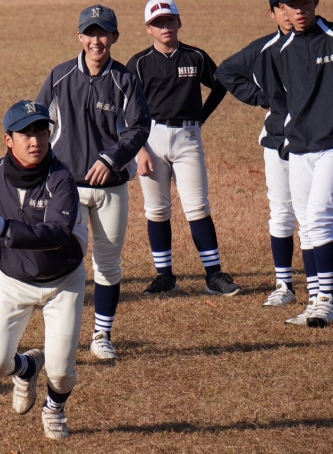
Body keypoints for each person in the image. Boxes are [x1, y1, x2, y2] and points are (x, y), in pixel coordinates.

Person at [0, 100, 88, 439]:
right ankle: (27, 366)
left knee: (61, 372)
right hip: (14, 281)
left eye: (42, 133)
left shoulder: (61, 178)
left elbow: (57, 233)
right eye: (26, 134)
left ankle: (55, 409)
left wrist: (6, 228)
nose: (36, 142)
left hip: (63, 282)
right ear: (8, 140)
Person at [37, 4, 151, 360]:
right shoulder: (59, 76)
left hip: (111, 188)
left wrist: (109, 159)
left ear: (114, 37)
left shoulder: (125, 80)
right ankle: (61, 335)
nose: (96, 40)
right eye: (90, 33)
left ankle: (102, 335)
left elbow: (139, 127)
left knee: (108, 263)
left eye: (103, 33)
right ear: (79, 36)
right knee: (63, 260)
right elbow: (39, 124)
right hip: (67, 188)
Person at [126, 0, 241, 296]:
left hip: (188, 137)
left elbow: (221, 84)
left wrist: (201, 116)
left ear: (179, 22)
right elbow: (126, 107)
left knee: (198, 206)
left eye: (169, 20)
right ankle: (165, 276)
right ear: (148, 28)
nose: (165, 27)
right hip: (151, 138)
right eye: (158, 23)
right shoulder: (139, 63)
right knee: (157, 209)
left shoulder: (195, 56)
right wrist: (139, 148)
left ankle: (213, 275)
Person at [216, 1, 319, 316]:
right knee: (281, 212)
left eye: (295, 6)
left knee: (314, 217)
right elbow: (225, 71)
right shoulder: (265, 48)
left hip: (315, 143)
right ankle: (284, 285)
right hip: (278, 141)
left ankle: (319, 289)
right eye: (282, 8)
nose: (289, 14)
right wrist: (263, 98)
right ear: (273, 13)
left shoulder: (318, 43)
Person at [254, 0, 333, 327]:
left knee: (319, 218)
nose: (299, 10)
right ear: (281, 8)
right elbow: (278, 101)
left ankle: (326, 300)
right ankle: (315, 301)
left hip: (329, 147)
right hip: (299, 148)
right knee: (307, 227)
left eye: (305, 2)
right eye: (292, 4)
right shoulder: (279, 50)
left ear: (316, 3)